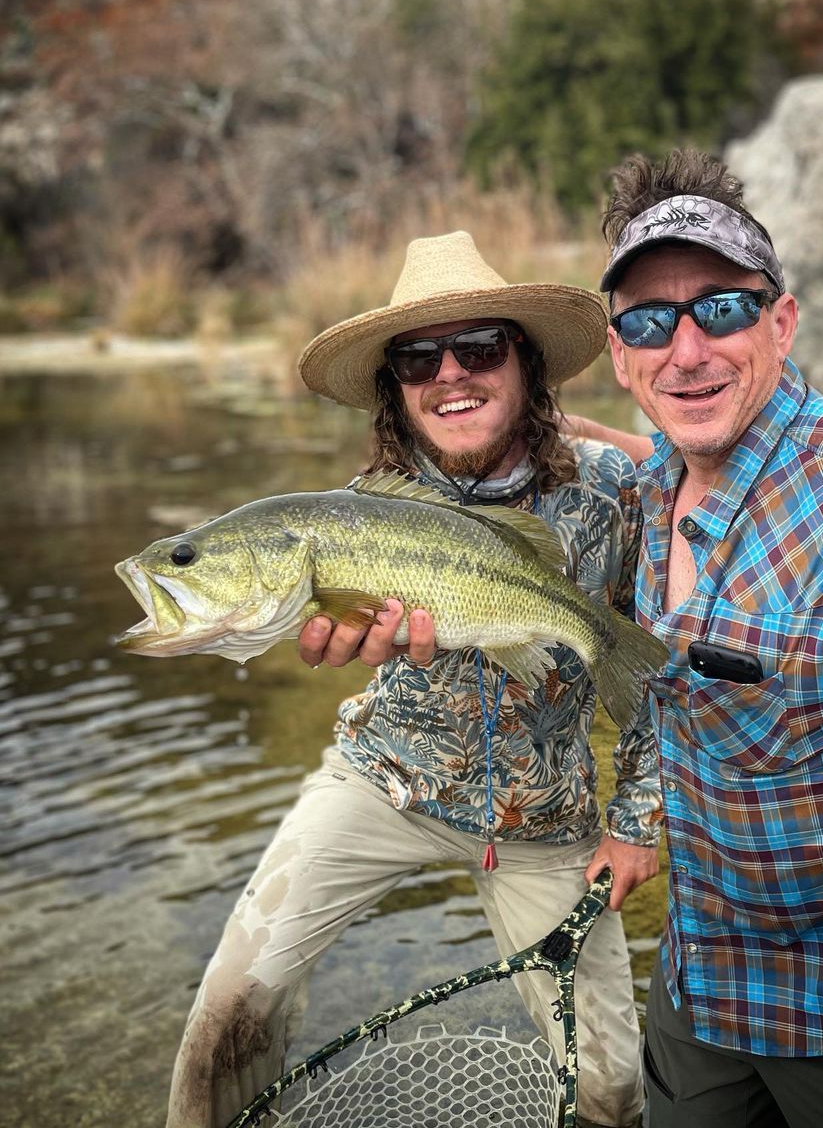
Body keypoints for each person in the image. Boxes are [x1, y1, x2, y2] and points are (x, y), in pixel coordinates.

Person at [164, 230, 661, 1128]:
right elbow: (299, 616)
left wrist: (636, 824)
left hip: (545, 817)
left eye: (479, 348)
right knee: (229, 1012)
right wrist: (311, 635)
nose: (450, 374)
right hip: (384, 780)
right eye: (417, 357)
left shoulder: (613, 493)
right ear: (395, 386)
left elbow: (658, 678)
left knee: (613, 1089)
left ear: (527, 361)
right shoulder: (368, 502)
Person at [582, 148, 823, 1128]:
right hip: (703, 984)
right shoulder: (665, 466)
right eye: (649, 322)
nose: (687, 349)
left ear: (781, 323)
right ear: (620, 351)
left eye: (721, 309)